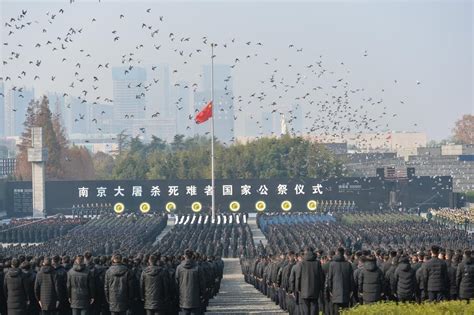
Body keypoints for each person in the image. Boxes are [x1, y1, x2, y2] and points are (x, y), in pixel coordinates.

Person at [175, 249, 205, 315]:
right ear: (192, 256)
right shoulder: (198, 267)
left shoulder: (179, 268)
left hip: (183, 297)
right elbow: (202, 282)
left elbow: (176, 283)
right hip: (195, 297)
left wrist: (178, 294)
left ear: (184, 256)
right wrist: (202, 294)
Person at [296, 247, 324, 315]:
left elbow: (298, 277)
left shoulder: (301, 263)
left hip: (304, 289)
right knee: (314, 306)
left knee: (305, 308)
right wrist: (321, 288)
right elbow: (321, 277)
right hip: (315, 289)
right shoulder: (317, 263)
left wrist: (298, 288)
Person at [326, 247, 354, 315]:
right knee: (345, 311)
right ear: (343, 253)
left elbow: (329, 279)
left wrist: (330, 290)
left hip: (335, 291)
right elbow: (351, 279)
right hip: (346, 291)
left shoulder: (332, 264)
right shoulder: (348, 264)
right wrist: (351, 290)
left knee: (336, 311)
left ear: (336, 253)